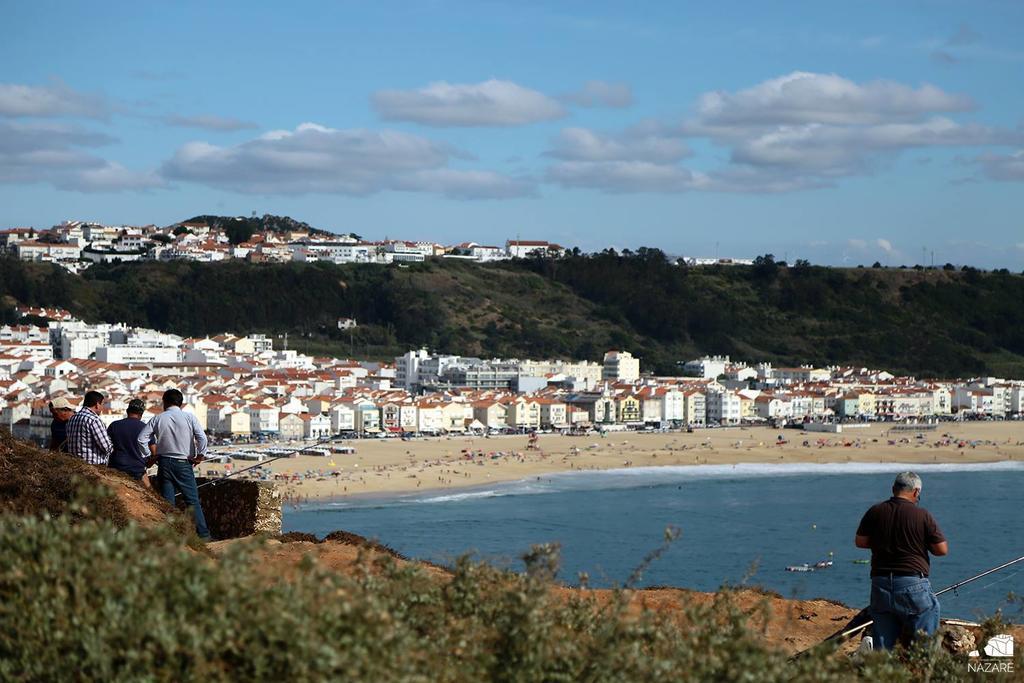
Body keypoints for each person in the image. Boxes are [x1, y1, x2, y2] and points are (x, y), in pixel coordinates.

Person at [854, 471, 948, 650]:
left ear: (893, 489)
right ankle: (923, 671)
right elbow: (941, 550)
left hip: (880, 584)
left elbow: (860, 542)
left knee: (883, 647)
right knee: (925, 641)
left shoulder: (875, 511)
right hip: (912, 583)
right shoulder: (922, 515)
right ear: (916, 492)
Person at [137, 389, 211, 540]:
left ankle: (170, 535)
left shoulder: (158, 418)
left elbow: (141, 439)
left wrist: (151, 455)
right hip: (183, 462)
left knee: (167, 502)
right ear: (181, 402)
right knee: (192, 500)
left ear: (164, 402)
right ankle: (203, 535)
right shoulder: (189, 417)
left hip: (164, 462)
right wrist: (200, 456)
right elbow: (202, 438)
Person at [107, 398, 150, 481]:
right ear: (141, 413)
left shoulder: (114, 425)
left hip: (116, 467)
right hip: (137, 469)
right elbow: (154, 451)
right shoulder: (146, 428)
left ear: (127, 411)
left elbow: (106, 444)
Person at [66, 390, 113, 465]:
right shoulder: (94, 420)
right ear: (97, 404)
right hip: (93, 467)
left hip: (74, 465)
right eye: (102, 404)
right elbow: (107, 447)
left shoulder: (72, 418)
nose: (102, 408)